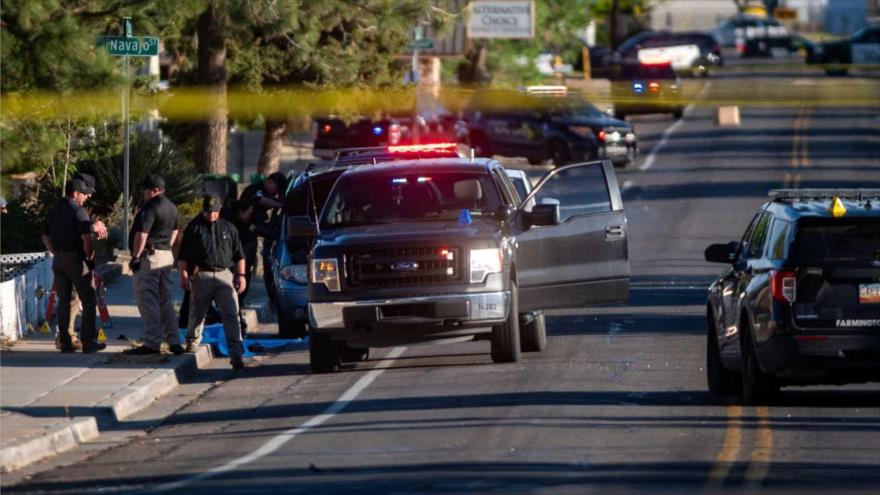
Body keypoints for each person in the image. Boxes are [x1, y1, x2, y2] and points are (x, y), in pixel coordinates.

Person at [178, 192, 247, 370]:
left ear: (220, 210)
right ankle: (192, 343)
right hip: (202, 276)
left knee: (231, 315)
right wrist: (184, 275)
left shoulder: (229, 228)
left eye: (214, 211)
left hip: (224, 275)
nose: (211, 215)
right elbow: (183, 256)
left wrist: (241, 276)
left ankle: (237, 355)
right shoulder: (194, 228)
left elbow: (239, 255)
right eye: (208, 211)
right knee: (197, 314)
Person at [41, 177, 106, 353]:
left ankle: (66, 341)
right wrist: (90, 257)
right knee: (89, 298)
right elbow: (87, 239)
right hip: (76, 260)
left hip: (59, 260)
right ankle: (88, 341)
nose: (86, 197)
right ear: (75, 193)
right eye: (84, 194)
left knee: (64, 301)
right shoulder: (79, 211)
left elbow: (45, 236)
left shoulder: (53, 210)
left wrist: (55, 251)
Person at [125, 175, 183, 355]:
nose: (143, 193)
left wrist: (135, 257)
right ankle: (173, 340)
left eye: (145, 189)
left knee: (146, 298)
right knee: (164, 299)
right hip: (166, 255)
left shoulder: (151, 207)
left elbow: (142, 234)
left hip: (150, 257)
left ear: (153, 190)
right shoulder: (172, 207)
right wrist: (166, 247)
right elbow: (175, 232)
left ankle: (152, 342)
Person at [239, 172, 286, 307]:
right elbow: (262, 200)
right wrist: (282, 205)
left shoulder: (266, 192)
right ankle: (238, 300)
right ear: (270, 181)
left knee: (248, 265)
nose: (275, 192)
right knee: (244, 266)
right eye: (275, 188)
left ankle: (240, 300)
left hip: (250, 234)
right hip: (243, 234)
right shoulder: (256, 190)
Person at [220, 199, 257, 336]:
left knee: (235, 301)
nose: (250, 215)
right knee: (233, 300)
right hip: (234, 269)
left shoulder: (241, 225)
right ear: (240, 212)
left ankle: (238, 328)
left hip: (239, 268)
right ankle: (237, 329)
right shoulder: (234, 228)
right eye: (249, 212)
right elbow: (239, 253)